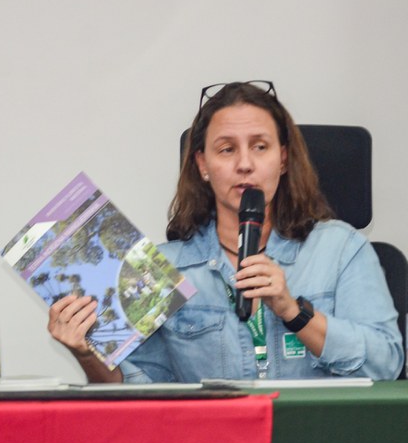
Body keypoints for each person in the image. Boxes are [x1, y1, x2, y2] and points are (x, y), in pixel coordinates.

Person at [48, 80, 404, 383]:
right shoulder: (160, 269)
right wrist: (87, 354)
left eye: (260, 147)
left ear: (283, 159)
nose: (245, 164)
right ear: (203, 164)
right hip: (212, 441)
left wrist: (293, 311)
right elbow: (142, 392)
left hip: (317, 438)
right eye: (227, 149)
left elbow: (386, 364)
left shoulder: (341, 248)